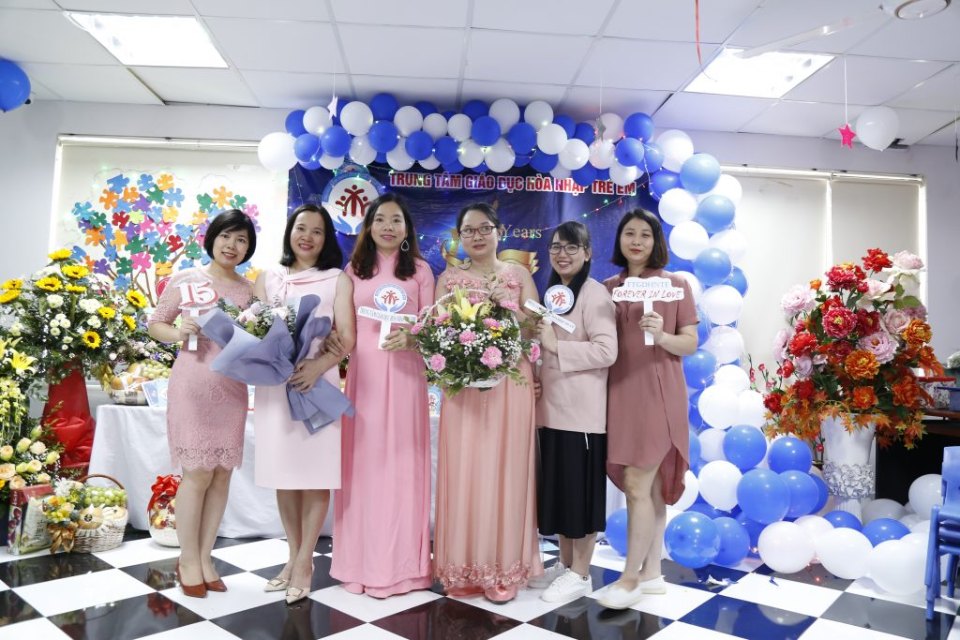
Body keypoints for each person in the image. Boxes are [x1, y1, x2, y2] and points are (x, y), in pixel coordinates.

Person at [433, 202, 542, 604]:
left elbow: (535, 327)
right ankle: (463, 567)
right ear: (459, 236)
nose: (477, 236)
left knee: (507, 471)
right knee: (465, 470)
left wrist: (508, 308)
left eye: (484, 228)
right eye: (469, 230)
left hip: (511, 385)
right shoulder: (449, 278)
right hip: (462, 388)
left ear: (500, 232)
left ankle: (503, 569)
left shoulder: (518, 275)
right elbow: (435, 331)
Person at [328, 193, 434, 597]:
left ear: (407, 229)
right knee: (364, 468)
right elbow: (345, 332)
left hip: (406, 379)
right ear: (368, 227)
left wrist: (414, 338)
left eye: (396, 220)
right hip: (365, 380)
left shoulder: (420, 271)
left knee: (403, 467)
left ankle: (404, 569)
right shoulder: (353, 271)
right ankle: (357, 564)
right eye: (380, 220)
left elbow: (432, 326)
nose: (388, 227)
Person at [148, 209, 257, 598]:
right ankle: (188, 559)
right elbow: (156, 324)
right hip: (192, 384)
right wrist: (179, 332)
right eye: (226, 236)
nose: (232, 245)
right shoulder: (186, 280)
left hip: (232, 388)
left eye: (241, 239)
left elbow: (260, 337)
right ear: (212, 239)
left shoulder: (250, 291)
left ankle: (206, 557)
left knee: (222, 474)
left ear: (248, 248)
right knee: (196, 473)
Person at [253, 203, 356, 605]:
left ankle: (305, 564)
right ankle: (293, 557)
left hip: (316, 385)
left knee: (314, 475)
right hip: (276, 387)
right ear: (289, 232)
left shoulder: (336, 279)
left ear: (326, 238)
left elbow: (347, 337)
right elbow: (254, 327)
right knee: (284, 476)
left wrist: (317, 367)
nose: (307, 236)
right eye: (301, 228)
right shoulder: (268, 278)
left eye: (317, 230)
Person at [598, 208, 698, 610]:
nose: (636, 241)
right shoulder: (608, 288)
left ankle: (629, 579)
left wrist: (662, 335)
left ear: (657, 241)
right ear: (619, 240)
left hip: (659, 393)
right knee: (650, 489)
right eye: (629, 233)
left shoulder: (676, 286)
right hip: (619, 394)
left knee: (637, 486)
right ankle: (652, 572)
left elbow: (690, 342)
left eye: (645, 234)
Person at [528, 221, 617, 603]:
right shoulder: (552, 294)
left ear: (587, 252)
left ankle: (581, 573)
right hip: (550, 410)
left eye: (571, 247)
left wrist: (555, 347)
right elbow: (541, 346)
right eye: (556, 247)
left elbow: (607, 351)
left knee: (580, 497)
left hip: (581, 415)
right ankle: (565, 566)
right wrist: (534, 374)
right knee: (561, 494)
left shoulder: (595, 295)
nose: (562, 254)